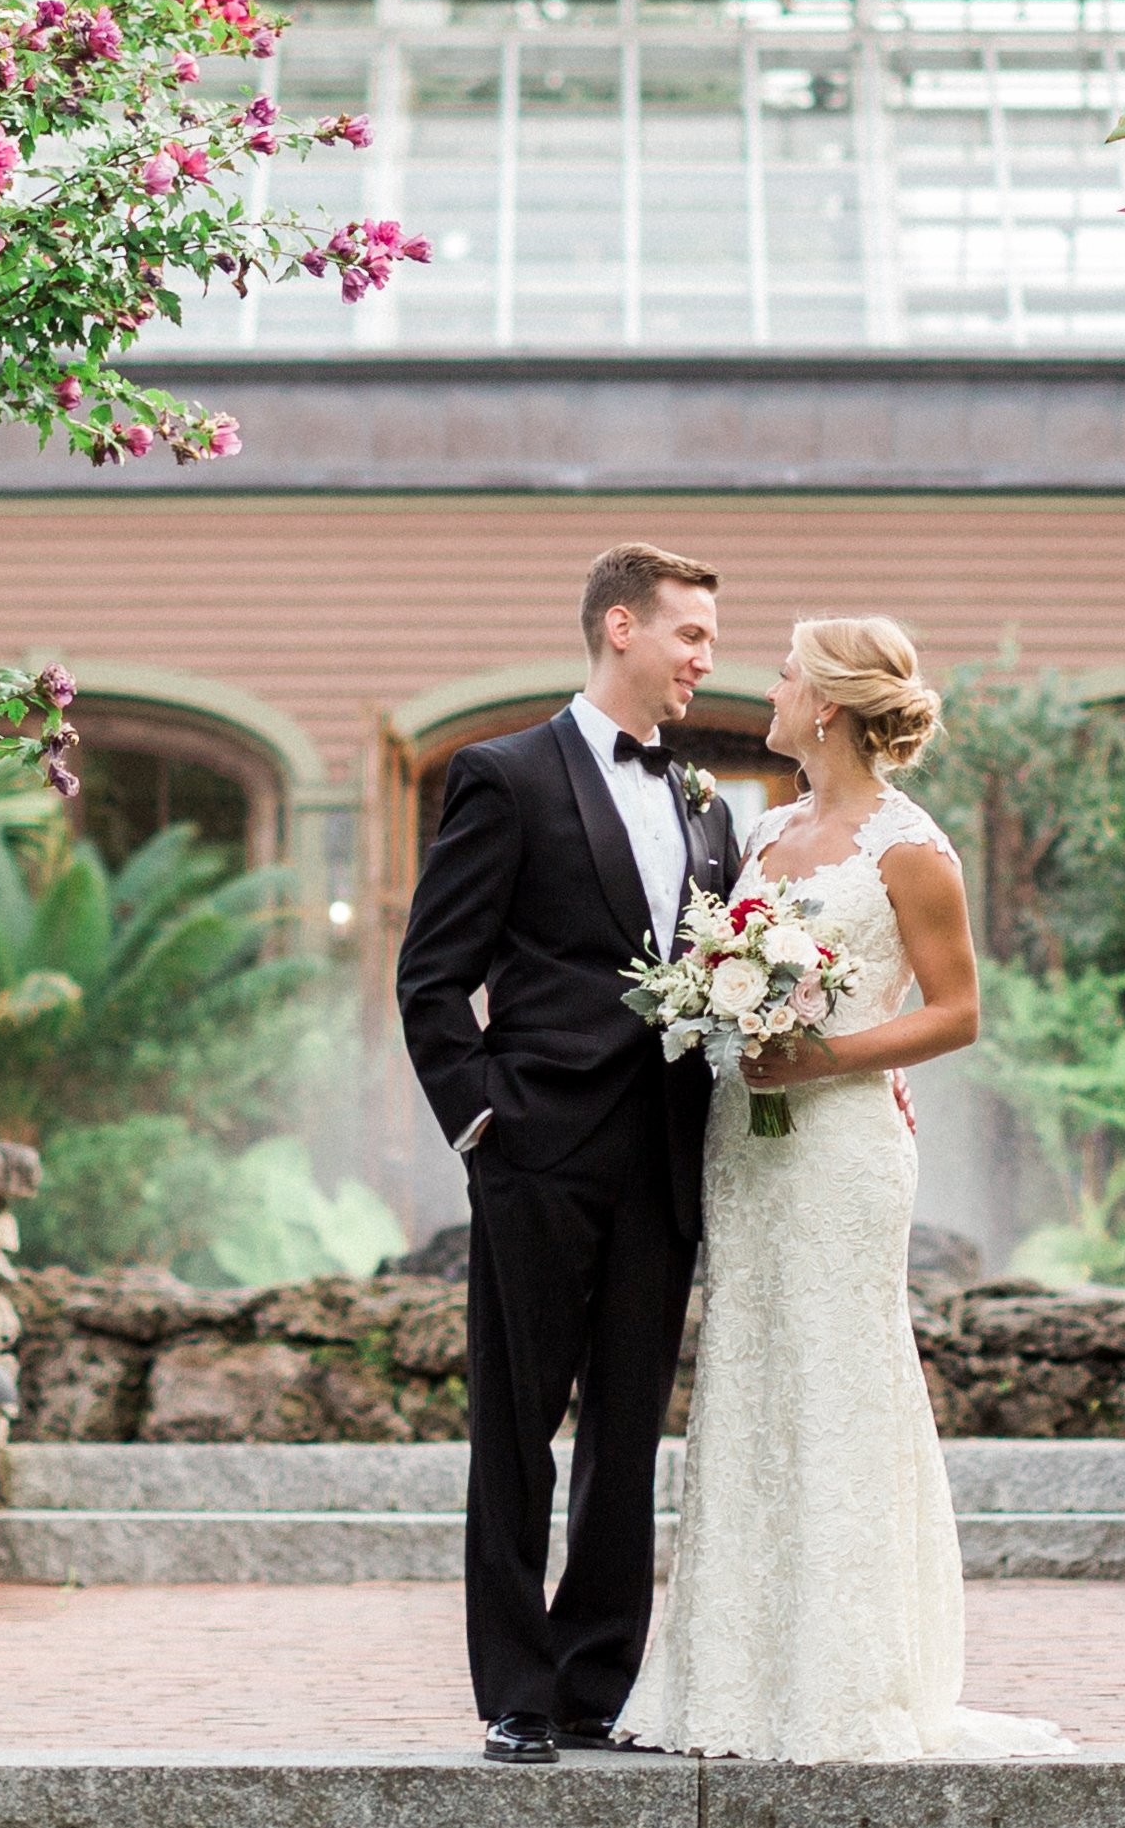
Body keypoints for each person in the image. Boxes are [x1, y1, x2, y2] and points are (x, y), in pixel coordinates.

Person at [613, 615, 1070, 1763]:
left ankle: (846, 1680)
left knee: (837, 1377)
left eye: (779, 676)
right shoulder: (761, 833)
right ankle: (730, 1680)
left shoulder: (911, 847)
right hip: (748, 1144)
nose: (762, 690)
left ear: (827, 703)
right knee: (753, 1376)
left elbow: (958, 1013)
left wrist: (825, 1056)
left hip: (841, 1147)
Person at [395, 542, 739, 1761]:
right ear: (621, 627)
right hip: (537, 1150)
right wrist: (484, 1122)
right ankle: (517, 1692)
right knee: (515, 1424)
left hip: (663, 1157)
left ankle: (598, 1684)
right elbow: (432, 976)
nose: (707, 656)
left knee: (628, 1430)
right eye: (691, 633)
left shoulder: (707, 805)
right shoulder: (505, 774)